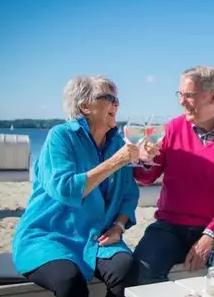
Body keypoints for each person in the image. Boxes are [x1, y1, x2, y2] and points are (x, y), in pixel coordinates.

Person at [12, 76, 141, 297]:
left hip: (97, 237)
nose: (117, 104)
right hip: (49, 235)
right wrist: (116, 162)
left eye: (117, 99)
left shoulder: (118, 144)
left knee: (127, 269)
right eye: (109, 98)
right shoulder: (61, 137)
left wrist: (118, 227)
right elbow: (65, 188)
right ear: (84, 106)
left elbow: (129, 194)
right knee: (69, 280)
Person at [128, 65, 214, 285]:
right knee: (140, 272)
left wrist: (210, 235)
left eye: (189, 95)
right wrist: (144, 159)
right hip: (169, 227)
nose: (181, 101)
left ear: (213, 96)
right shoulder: (172, 129)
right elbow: (145, 177)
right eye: (180, 94)